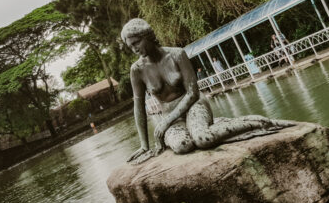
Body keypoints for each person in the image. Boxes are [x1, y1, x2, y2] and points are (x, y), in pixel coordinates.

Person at [122, 18, 295, 162]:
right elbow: (138, 107)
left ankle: (258, 122)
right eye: (131, 47)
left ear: (147, 36)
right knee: (183, 146)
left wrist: (166, 121)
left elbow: (192, 93)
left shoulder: (176, 54)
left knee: (202, 138)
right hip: (171, 117)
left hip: (194, 105)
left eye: (136, 43)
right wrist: (144, 145)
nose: (135, 49)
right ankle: (218, 125)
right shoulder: (137, 70)